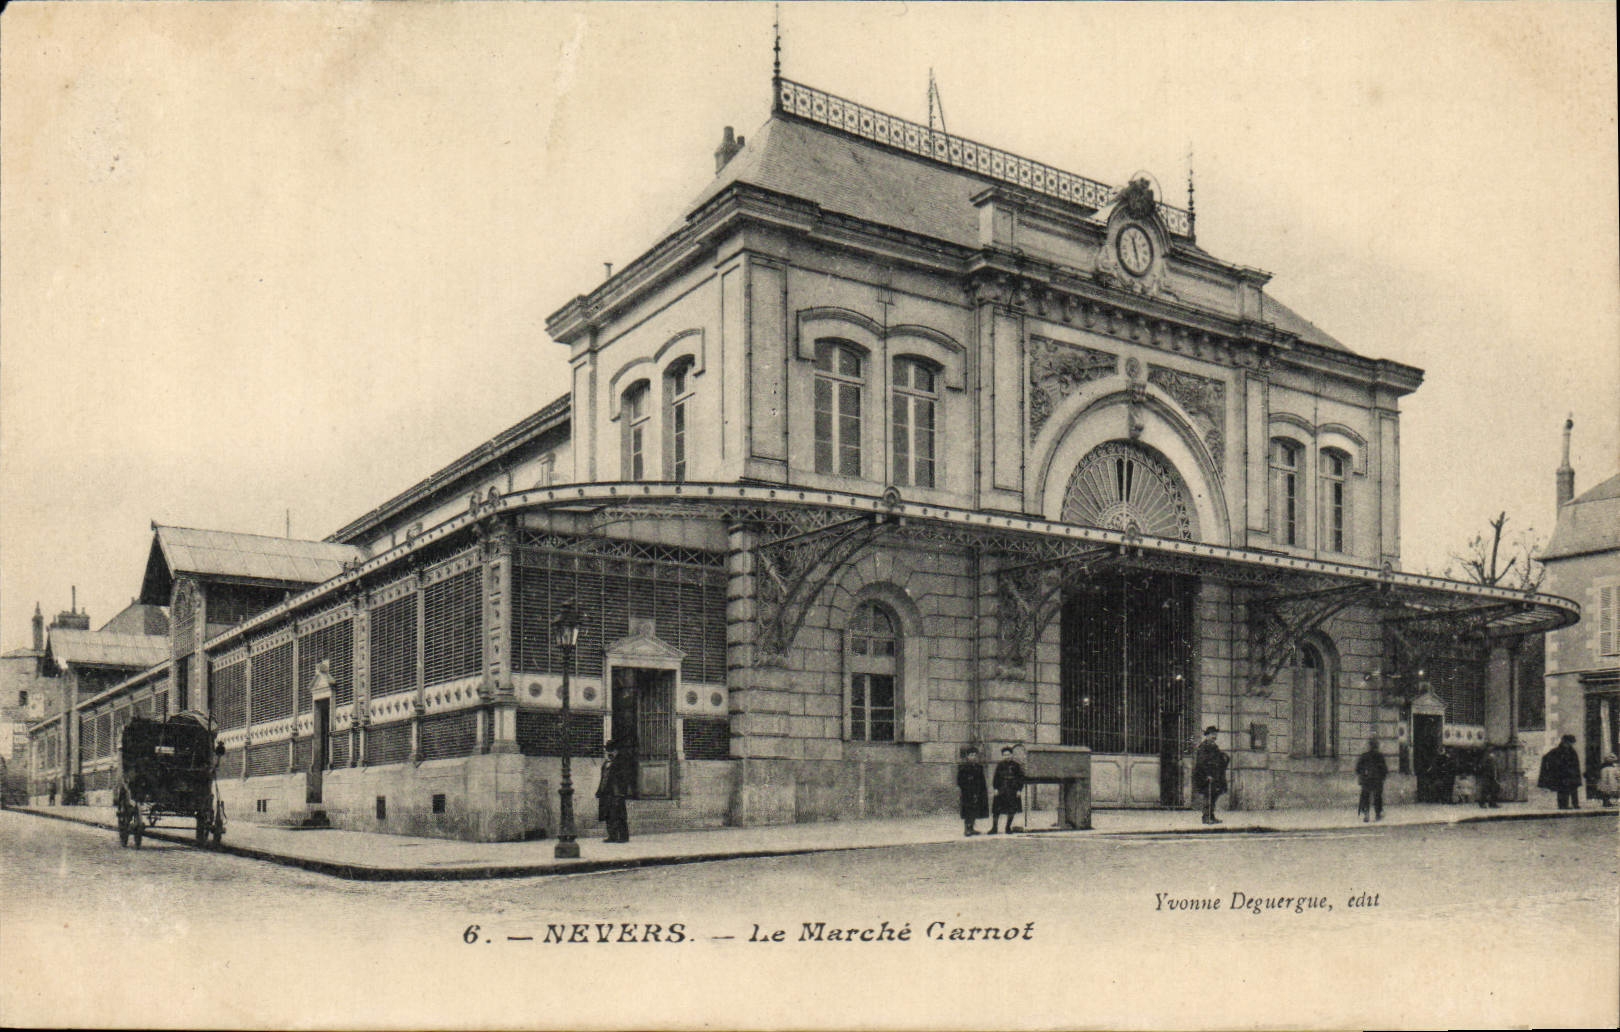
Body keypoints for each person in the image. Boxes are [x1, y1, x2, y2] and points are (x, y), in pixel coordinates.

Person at [595, 739, 635, 843]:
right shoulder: (606, 763)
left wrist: (622, 792)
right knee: (608, 814)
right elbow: (603, 778)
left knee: (619, 815)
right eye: (608, 750)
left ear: (616, 750)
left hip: (616, 792)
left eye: (611, 750)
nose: (609, 752)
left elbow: (625, 778)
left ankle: (623, 836)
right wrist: (599, 790)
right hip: (606, 792)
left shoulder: (622, 761)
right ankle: (612, 836)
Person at [1192, 726, 1229, 825]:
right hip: (1207, 776)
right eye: (1212, 734)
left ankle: (1211, 816)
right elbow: (1201, 763)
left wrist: (1225, 757)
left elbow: (1219, 759)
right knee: (1208, 797)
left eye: (1215, 734)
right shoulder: (1204, 747)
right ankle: (1206, 817)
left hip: (1216, 776)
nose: (1214, 736)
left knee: (1213, 796)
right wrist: (1207, 774)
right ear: (1207, 735)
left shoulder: (1214, 746)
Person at [1538, 734, 1583, 809]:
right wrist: (1553, 770)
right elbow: (1546, 758)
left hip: (1572, 775)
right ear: (1564, 742)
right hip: (1562, 775)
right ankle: (1563, 805)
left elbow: (1575, 764)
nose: (1571, 744)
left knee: (1573, 789)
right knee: (1562, 790)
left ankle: (1575, 804)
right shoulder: (1556, 751)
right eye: (1569, 742)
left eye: (1571, 743)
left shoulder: (1572, 751)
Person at [990, 745, 1025, 834]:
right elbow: (996, 778)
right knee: (996, 810)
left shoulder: (1016, 765)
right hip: (1001, 789)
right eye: (1005, 755)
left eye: (1008, 754)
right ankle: (994, 828)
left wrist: (1019, 790)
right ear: (1002, 756)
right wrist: (995, 788)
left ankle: (1008, 827)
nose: (1007, 756)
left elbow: (1020, 778)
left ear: (1012, 755)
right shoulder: (1000, 765)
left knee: (1011, 810)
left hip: (1012, 790)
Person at [956, 745, 989, 837]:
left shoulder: (979, 767)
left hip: (978, 791)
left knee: (976, 809)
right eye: (971, 755)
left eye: (975, 755)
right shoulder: (963, 767)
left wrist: (982, 791)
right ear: (967, 756)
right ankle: (967, 829)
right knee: (968, 810)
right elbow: (960, 781)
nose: (973, 757)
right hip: (968, 792)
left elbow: (982, 780)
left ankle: (972, 828)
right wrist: (966, 789)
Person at [1355, 737, 1388, 822]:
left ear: (1369, 746)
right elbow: (1384, 769)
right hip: (1377, 780)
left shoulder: (1364, 756)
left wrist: (1362, 776)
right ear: (1377, 746)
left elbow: (1358, 768)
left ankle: (1366, 813)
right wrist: (1382, 777)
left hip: (1366, 779)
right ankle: (1378, 814)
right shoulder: (1380, 756)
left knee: (1365, 796)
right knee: (1378, 797)